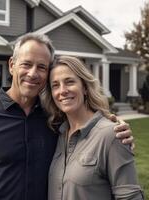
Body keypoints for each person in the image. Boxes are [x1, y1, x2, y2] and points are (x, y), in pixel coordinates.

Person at [0, 33, 134, 200]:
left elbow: (89, 127)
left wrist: (113, 126)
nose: (33, 73)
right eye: (27, 64)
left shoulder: (54, 120)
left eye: (42, 67)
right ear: (12, 66)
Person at [42, 55, 144, 200]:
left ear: (84, 87)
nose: (62, 90)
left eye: (69, 82)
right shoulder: (57, 134)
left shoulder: (112, 135)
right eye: (55, 85)